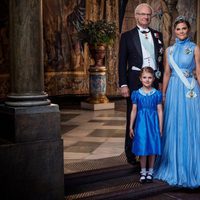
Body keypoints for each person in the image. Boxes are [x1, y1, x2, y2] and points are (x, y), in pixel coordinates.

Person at [154, 16, 200, 188]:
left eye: (184, 29)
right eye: (178, 29)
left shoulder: (195, 48)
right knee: (173, 124)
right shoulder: (169, 51)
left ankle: (192, 166)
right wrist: (163, 94)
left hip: (190, 90)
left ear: (188, 30)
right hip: (173, 89)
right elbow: (166, 73)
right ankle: (173, 164)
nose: (181, 31)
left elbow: (199, 72)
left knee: (191, 124)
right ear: (174, 31)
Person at [118, 3, 164, 165]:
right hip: (134, 80)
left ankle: (152, 151)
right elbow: (121, 62)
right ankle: (131, 153)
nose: (145, 17)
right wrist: (123, 84)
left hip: (154, 80)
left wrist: (161, 83)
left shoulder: (158, 35)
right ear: (136, 16)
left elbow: (161, 62)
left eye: (148, 15)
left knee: (153, 115)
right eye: (142, 14)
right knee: (134, 114)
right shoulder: (127, 36)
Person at [129, 67, 163, 183]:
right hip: (141, 125)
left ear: (153, 79)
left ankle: (151, 172)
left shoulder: (157, 94)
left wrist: (161, 126)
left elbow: (160, 111)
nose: (147, 80)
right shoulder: (136, 94)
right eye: (144, 77)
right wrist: (130, 126)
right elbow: (134, 110)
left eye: (149, 77)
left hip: (153, 125)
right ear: (140, 78)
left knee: (152, 148)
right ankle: (143, 171)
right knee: (143, 148)